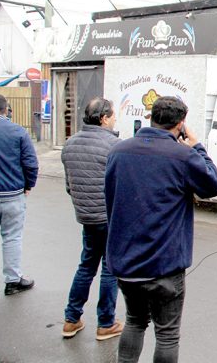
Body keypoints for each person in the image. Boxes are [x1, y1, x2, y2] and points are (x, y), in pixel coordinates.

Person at [104, 96, 217, 363]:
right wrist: (197, 146)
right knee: (167, 334)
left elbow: (110, 199)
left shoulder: (118, 152)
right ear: (181, 124)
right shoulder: (183, 156)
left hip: (126, 261)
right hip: (165, 265)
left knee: (135, 321)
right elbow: (213, 185)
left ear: (151, 118)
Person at [61, 97, 123, 340]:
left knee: (86, 266)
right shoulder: (114, 146)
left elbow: (70, 186)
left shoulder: (70, 143)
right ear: (104, 118)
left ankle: (71, 319)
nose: (115, 119)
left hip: (86, 216)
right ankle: (106, 323)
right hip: (109, 217)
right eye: (113, 115)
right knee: (109, 269)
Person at [0, 94, 38, 296]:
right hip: (12, 194)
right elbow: (30, 163)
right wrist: (28, 185)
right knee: (12, 238)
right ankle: (12, 281)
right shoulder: (18, 131)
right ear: (6, 109)